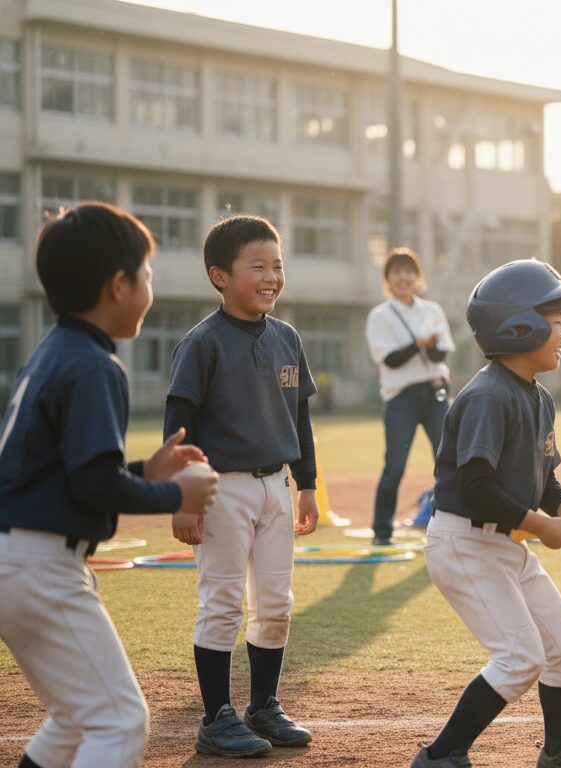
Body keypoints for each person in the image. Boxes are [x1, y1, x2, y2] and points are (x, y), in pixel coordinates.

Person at [0, 203, 218, 768]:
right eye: (146, 275)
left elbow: (68, 475)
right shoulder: (95, 364)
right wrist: (177, 496)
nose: (150, 287)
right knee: (119, 720)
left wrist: (147, 472)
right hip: (41, 566)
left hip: (18, 558)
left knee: (75, 719)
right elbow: (94, 486)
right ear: (118, 286)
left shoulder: (53, 352)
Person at [414, 259, 561, 768]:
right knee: (520, 658)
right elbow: (478, 487)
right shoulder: (488, 395)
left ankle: (558, 750)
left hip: (503, 543)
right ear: (519, 326)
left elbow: (541, 481)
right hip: (464, 543)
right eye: (557, 321)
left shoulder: (538, 397)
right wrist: (542, 526)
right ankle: (441, 756)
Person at [164, 214, 320, 757]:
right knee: (223, 602)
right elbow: (178, 428)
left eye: (278, 265)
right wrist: (184, 495)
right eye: (258, 266)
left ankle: (263, 706)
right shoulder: (202, 342)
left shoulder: (287, 337)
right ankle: (216, 717)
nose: (273, 276)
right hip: (221, 488)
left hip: (277, 485)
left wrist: (307, 485)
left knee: (275, 602)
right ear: (219, 276)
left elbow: (300, 419)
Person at [365, 247, 455, 540]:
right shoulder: (380, 316)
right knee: (395, 466)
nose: (403, 277)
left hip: (435, 392)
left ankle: (451, 523)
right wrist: (420, 342)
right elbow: (390, 359)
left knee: (448, 460)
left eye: (409, 271)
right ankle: (381, 530)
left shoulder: (432, 310)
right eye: (396, 272)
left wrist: (427, 345)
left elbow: (441, 353)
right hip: (402, 397)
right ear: (387, 279)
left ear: (418, 276)